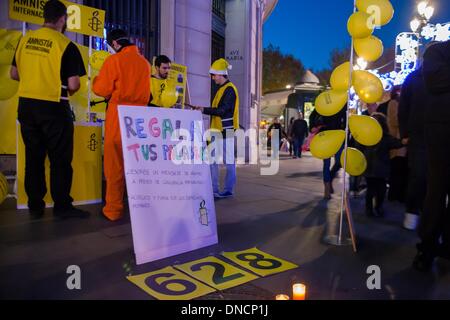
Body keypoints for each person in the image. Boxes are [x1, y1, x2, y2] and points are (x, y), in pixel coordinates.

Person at [10, 0, 89, 219]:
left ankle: (36, 205)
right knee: (60, 159)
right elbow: (73, 84)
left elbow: (13, 74)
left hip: (26, 106)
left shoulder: (24, 40)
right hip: (54, 107)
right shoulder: (65, 45)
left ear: (44, 17)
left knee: (33, 158)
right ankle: (62, 206)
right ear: (63, 19)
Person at [93, 29, 151, 221]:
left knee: (114, 165)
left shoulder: (114, 61)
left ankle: (114, 210)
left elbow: (101, 89)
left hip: (118, 118)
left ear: (116, 44)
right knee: (137, 166)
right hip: (140, 120)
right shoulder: (145, 64)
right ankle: (141, 209)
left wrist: (95, 81)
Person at [413, 40, 450, 271]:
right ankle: (427, 247)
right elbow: (434, 80)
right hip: (441, 129)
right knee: (436, 190)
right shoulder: (437, 50)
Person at [194, 58, 239, 199]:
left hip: (225, 131)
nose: (213, 78)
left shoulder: (229, 90)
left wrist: (204, 109)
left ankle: (226, 190)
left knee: (226, 162)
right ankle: (215, 190)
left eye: (214, 75)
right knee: (214, 161)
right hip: (220, 130)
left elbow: (223, 110)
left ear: (220, 74)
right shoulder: (224, 89)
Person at [398, 67, 429, 231]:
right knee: (418, 175)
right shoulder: (414, 78)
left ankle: (424, 214)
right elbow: (403, 107)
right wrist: (405, 133)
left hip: (435, 133)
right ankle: (413, 211)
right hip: (419, 134)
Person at [360, 113, 405, 217]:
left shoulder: (385, 137)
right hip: (369, 168)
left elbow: (396, 143)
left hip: (381, 169)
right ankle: (369, 209)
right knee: (370, 190)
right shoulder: (365, 136)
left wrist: (403, 141)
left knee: (381, 191)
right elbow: (359, 147)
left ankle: (378, 207)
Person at [310, 106, 346, 200]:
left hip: (339, 135)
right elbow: (313, 115)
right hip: (325, 135)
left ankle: (329, 179)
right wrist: (312, 127)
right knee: (326, 162)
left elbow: (346, 118)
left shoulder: (342, 102)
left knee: (339, 161)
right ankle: (326, 187)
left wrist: (346, 130)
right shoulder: (326, 100)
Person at [386, 85, 408, 203]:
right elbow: (395, 120)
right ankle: (394, 195)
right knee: (397, 169)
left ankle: (399, 194)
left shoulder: (401, 103)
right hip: (397, 140)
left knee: (401, 169)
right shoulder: (393, 103)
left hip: (402, 141)